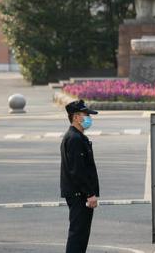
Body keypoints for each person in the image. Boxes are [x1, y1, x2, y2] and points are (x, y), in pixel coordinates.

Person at [60, 99, 100, 253]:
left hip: (80, 193)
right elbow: (77, 171)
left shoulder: (77, 137)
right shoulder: (74, 139)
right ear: (76, 117)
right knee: (78, 235)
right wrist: (89, 194)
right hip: (79, 195)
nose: (89, 118)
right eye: (86, 115)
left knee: (81, 234)